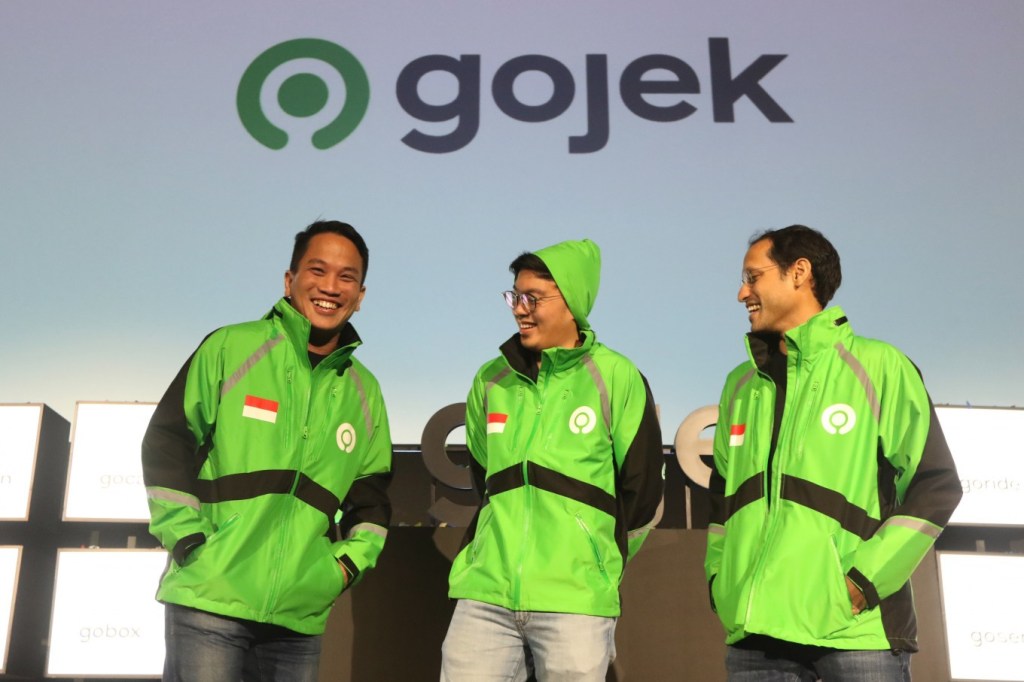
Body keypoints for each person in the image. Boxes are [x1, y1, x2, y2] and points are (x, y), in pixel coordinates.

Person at [705, 225, 962, 681]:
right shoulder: (739, 385)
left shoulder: (879, 366)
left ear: (799, 272)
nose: (742, 293)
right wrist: (720, 581)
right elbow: (722, 495)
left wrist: (863, 583)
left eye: (753, 277)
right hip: (755, 636)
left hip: (855, 633)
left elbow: (935, 485)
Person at [142, 220, 392, 681]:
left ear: (359, 296)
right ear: (289, 279)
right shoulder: (231, 347)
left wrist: (340, 569)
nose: (330, 287)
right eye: (317, 270)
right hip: (210, 599)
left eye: (347, 277)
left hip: (297, 620)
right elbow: (167, 441)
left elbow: (371, 497)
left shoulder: (365, 391)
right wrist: (189, 542)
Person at [440, 239, 665, 681]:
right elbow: (485, 476)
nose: (519, 310)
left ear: (572, 301)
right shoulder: (491, 379)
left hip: (575, 599)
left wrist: (596, 565)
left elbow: (642, 493)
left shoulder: (616, 376)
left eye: (533, 298)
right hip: (485, 594)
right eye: (514, 297)